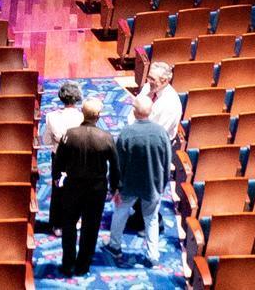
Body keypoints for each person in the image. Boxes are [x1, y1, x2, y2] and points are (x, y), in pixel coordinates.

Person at [51, 97, 118, 277]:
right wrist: (114, 187)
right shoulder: (106, 137)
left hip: (73, 187)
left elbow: (59, 161)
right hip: (96, 189)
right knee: (91, 227)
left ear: (83, 112)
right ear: (99, 116)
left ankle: (67, 264)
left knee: (69, 225)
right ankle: (82, 266)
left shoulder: (69, 135)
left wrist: (57, 177)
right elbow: (115, 166)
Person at [107, 96, 175, 266]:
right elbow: (167, 162)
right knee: (151, 220)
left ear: (134, 112)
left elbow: (117, 164)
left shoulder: (127, 133)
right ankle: (153, 255)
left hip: (128, 185)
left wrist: (114, 187)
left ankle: (114, 246)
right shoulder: (161, 133)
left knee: (120, 213)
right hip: (152, 186)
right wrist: (162, 185)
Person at [42, 80, 86, 149]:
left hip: (58, 155)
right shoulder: (83, 117)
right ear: (78, 97)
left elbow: (46, 141)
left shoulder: (51, 116)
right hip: (79, 156)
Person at [144, 62, 183, 140]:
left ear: (165, 81)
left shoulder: (171, 105)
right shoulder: (148, 87)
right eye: (149, 77)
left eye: (152, 79)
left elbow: (157, 135)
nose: (149, 82)